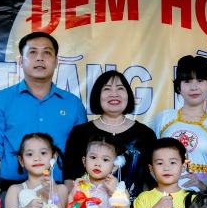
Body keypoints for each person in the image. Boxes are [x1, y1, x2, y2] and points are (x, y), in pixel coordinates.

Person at [0, 31, 87, 194]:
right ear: (20, 61)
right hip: (13, 192)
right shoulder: (0, 100)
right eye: (32, 52)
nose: (40, 58)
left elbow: (81, 153)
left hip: (60, 193)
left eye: (47, 52)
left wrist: (70, 197)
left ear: (56, 62)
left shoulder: (73, 104)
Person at [64, 70, 157, 200]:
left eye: (120, 89)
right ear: (97, 95)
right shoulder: (80, 133)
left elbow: (153, 179)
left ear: (128, 95)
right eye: (107, 89)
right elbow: (69, 178)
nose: (114, 94)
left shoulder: (145, 135)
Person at [151, 55, 207, 192]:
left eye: (200, 80)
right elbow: (149, 160)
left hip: (203, 204)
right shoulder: (163, 119)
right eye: (187, 81)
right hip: (164, 200)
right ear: (178, 87)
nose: (194, 87)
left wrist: (204, 185)